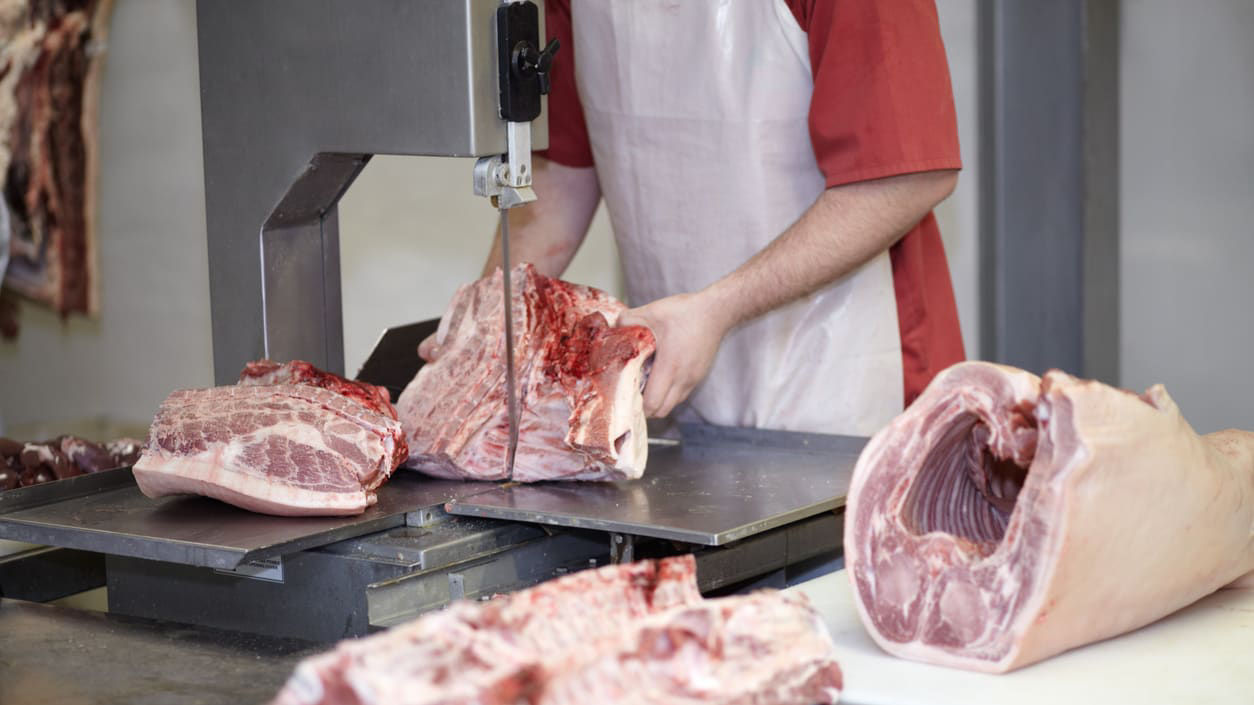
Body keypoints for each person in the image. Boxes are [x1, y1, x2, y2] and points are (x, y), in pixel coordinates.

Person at [458, 0, 963, 437]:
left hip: (850, 393)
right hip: (677, 387)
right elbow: (566, 170)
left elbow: (904, 177)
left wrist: (716, 311)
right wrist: (491, 316)